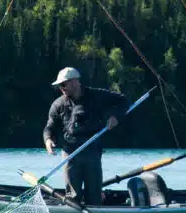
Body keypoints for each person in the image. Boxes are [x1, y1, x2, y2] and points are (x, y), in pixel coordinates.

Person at [43, 67, 129, 205]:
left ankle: (95, 211)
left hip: (92, 150)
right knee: (73, 196)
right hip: (70, 153)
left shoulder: (97, 95)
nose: (61, 88)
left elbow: (123, 101)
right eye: (59, 85)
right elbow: (50, 127)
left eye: (64, 84)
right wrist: (48, 140)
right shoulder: (58, 104)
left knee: (94, 195)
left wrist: (115, 116)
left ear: (75, 82)